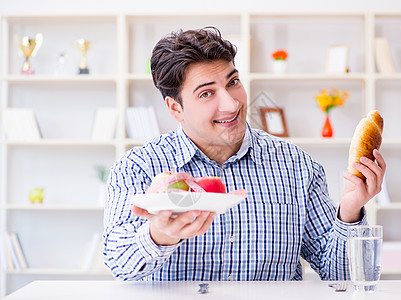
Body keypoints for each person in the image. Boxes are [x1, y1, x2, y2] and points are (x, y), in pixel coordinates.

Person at [103, 27, 386, 281]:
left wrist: (350, 210)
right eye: (206, 94)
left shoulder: (297, 166)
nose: (230, 104)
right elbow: (118, 262)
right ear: (175, 108)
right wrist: (160, 235)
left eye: (232, 83)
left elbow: (340, 273)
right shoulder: (138, 167)